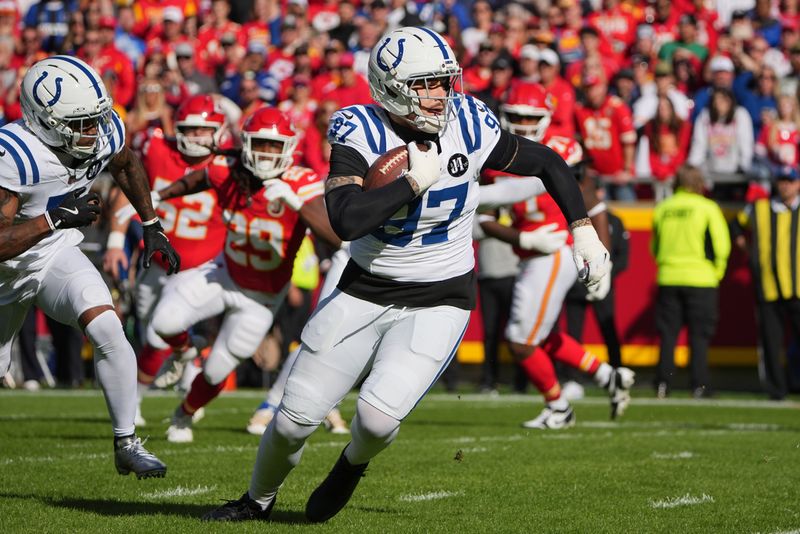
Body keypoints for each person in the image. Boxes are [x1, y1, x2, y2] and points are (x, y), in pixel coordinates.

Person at [202, 26, 610, 523]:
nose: (441, 94)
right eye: (427, 84)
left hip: (440, 296)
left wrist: (582, 229)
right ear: (391, 85)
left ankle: (350, 466)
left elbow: (547, 161)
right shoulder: (358, 129)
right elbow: (346, 218)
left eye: (444, 81)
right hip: (365, 288)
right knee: (293, 421)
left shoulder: (470, 121)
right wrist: (414, 181)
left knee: (374, 421)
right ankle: (255, 502)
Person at [0, 55, 178, 478]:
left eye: (95, 119)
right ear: (42, 119)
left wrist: (151, 224)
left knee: (107, 327)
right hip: (5, 274)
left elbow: (126, 164)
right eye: (80, 123)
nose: (93, 131)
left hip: (53, 253)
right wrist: (51, 218)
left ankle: (126, 441)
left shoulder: (102, 129)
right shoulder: (16, 154)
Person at [146, 107, 341, 443]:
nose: (265, 152)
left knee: (217, 370)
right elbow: (201, 177)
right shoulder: (232, 169)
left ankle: (184, 414)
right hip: (225, 272)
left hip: (262, 299)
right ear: (248, 143)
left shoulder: (301, 182)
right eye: (260, 143)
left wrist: (296, 204)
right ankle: (184, 350)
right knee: (163, 322)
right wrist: (160, 195)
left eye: (272, 145)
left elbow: (336, 236)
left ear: (288, 148)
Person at [480, 110, 635, 428]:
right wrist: (522, 236)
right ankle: (608, 376)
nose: (522, 123)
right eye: (515, 115)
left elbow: (593, 204)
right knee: (542, 335)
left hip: (553, 253)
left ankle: (558, 407)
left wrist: (600, 257)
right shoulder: (493, 152)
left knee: (521, 341)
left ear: (546, 117)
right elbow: (483, 219)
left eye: (530, 116)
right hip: (530, 253)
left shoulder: (562, 149)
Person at [105, 94, 231, 426]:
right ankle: (188, 366)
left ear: (219, 131)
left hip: (201, 269)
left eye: (204, 131)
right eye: (189, 130)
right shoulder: (157, 148)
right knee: (154, 336)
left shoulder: (228, 165)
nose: (196, 138)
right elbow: (128, 186)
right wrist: (117, 240)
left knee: (158, 337)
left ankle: (151, 399)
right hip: (158, 264)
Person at [651, 166, 731, 398]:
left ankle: (662, 384)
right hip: (702, 278)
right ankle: (698, 385)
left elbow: (654, 246)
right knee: (699, 336)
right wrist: (717, 272)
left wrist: (666, 266)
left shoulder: (663, 208)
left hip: (668, 277)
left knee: (668, 336)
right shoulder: (707, 207)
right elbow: (721, 245)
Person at [731, 165, 800, 400]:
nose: (785, 185)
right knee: (771, 342)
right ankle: (776, 390)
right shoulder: (759, 208)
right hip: (768, 285)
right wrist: (747, 250)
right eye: (781, 180)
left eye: (790, 181)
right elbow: (736, 226)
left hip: (798, 286)